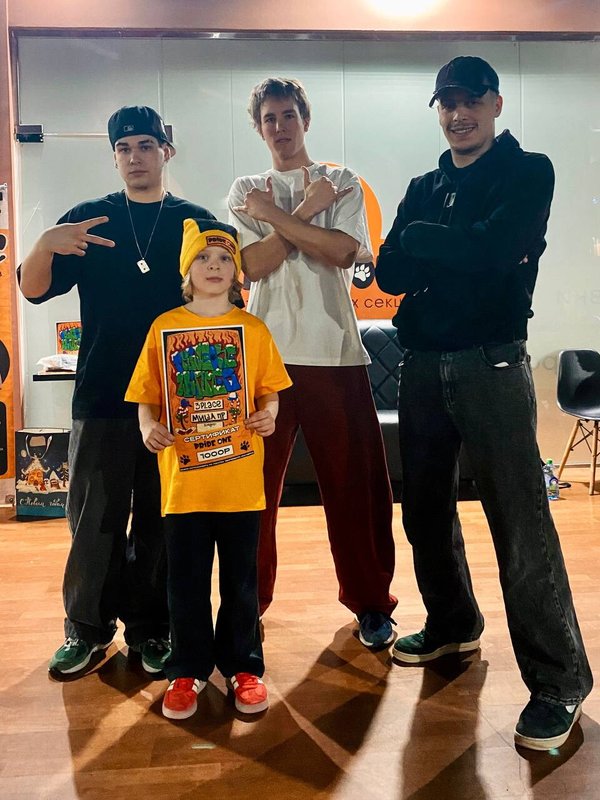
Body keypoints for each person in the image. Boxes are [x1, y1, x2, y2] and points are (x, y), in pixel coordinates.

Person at [376, 55, 593, 750]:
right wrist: (455, 247)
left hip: (492, 364)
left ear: (495, 103)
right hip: (421, 363)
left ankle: (559, 681)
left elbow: (500, 251)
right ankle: (453, 624)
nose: (458, 114)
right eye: (446, 103)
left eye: (470, 101)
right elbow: (389, 270)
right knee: (425, 513)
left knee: (519, 522)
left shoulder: (527, 172)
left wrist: (425, 240)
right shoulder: (425, 184)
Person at [19, 105, 216, 676]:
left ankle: (152, 629)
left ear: (165, 152)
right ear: (114, 157)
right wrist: (44, 244)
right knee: (93, 520)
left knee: (162, 522)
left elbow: (223, 301)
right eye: (124, 148)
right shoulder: (89, 221)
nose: (135, 157)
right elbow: (32, 290)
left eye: (146, 146)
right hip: (103, 395)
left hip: (176, 401)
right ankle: (86, 629)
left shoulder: (194, 223)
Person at [228, 77, 397, 648]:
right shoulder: (247, 189)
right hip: (264, 359)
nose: (279, 127)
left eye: (288, 115)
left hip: (335, 352)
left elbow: (343, 252)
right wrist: (306, 213)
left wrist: (277, 217)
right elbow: (252, 266)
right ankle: (247, 605)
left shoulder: (340, 182)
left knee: (356, 490)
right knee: (252, 495)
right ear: (258, 128)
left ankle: (372, 604)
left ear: (305, 119)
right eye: (269, 118)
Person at [125, 218, 291, 719]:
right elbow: (147, 394)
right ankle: (187, 668)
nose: (214, 266)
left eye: (224, 259)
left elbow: (270, 391)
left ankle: (243, 666)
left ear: (237, 273)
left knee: (241, 582)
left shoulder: (253, 329)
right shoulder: (164, 327)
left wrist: (269, 415)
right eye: (203, 258)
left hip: (241, 484)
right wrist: (147, 425)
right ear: (187, 270)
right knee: (186, 583)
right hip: (184, 486)